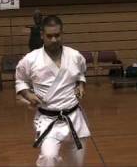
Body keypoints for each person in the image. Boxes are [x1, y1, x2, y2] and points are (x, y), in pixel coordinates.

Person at [15, 15, 90, 166]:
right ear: (42, 35)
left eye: (57, 35)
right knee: (49, 158)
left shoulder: (75, 56)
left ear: (62, 33)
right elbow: (20, 80)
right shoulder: (30, 59)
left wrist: (81, 84)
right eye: (49, 36)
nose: (54, 39)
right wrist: (28, 94)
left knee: (76, 164)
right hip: (48, 118)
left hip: (74, 117)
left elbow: (81, 72)